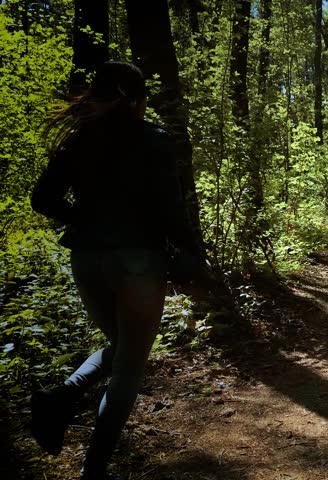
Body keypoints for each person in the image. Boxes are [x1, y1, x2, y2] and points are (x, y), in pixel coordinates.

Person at [29, 61, 205, 480]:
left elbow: (42, 199)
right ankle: (93, 471)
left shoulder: (78, 140)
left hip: (86, 259)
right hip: (138, 262)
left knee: (123, 347)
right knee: (128, 366)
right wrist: (194, 254)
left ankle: (59, 400)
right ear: (136, 99)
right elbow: (171, 210)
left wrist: (82, 219)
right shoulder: (154, 140)